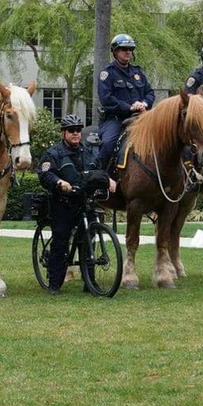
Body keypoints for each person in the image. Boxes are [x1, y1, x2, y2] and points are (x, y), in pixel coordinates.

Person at [37, 114, 114, 296]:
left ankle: (90, 283)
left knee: (88, 241)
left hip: (83, 201)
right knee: (61, 242)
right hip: (62, 203)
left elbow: (96, 169)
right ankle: (55, 284)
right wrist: (58, 183)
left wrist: (107, 179)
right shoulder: (53, 153)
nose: (76, 133)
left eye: (78, 130)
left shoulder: (87, 152)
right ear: (64, 133)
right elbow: (44, 173)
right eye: (71, 130)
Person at [97, 33, 155, 169]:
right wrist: (130, 107)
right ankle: (100, 178)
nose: (128, 52)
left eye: (130, 49)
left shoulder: (138, 72)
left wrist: (144, 104)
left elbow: (150, 92)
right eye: (124, 49)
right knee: (107, 143)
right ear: (115, 51)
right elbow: (106, 99)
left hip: (141, 117)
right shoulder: (107, 73)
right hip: (116, 119)